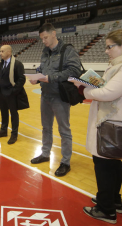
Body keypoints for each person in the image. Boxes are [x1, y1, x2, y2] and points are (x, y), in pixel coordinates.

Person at [74, 29, 122, 224]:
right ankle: (112, 200)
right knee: (112, 163)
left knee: (104, 165)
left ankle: (106, 209)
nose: (107, 51)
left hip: (115, 123)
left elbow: (108, 93)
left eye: (110, 47)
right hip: (114, 121)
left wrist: (84, 89)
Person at [29, 23, 81, 177]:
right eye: (41, 38)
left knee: (64, 130)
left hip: (60, 96)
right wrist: (37, 77)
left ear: (53, 33)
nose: (43, 41)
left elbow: (74, 70)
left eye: (45, 37)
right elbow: (43, 69)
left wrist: (50, 77)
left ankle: (66, 162)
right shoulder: (45, 52)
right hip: (45, 95)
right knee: (46, 127)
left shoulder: (67, 50)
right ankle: (45, 154)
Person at [0, 45, 29, 144]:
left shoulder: (17, 64)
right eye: (0, 51)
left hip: (12, 94)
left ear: (9, 52)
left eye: (2, 51)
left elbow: (22, 79)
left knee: (14, 114)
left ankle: (14, 134)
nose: (0, 53)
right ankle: (3, 131)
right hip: (1, 93)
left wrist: (13, 92)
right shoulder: (0, 64)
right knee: (3, 113)